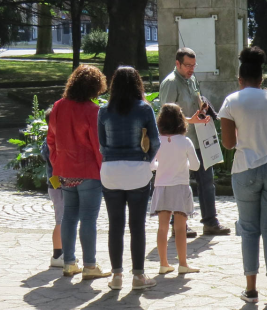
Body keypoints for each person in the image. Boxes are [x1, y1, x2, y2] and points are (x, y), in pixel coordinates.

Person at [219, 46, 267, 304]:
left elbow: (228, 143)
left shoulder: (231, 101)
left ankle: (250, 288)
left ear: (240, 79)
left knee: (249, 229)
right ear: (262, 78)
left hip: (244, 168)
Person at [98, 66, 160, 290]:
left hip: (111, 170)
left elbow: (102, 144)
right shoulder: (144, 109)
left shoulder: (104, 111)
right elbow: (156, 141)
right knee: (137, 226)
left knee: (115, 224)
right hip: (137, 170)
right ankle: (139, 276)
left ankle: (116, 276)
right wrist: (146, 160)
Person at [47, 65, 111, 280]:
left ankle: (68, 263)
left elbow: (51, 141)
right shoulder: (93, 111)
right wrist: (105, 172)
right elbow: (98, 146)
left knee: (68, 217)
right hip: (88, 172)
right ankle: (90, 265)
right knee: (88, 219)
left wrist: (58, 165)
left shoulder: (58, 107)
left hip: (65, 171)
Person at [159, 47, 230, 237]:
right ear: (177, 64)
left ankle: (210, 222)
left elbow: (194, 102)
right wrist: (191, 120)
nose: (191, 69)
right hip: (179, 142)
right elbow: (167, 115)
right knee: (181, 183)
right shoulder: (170, 83)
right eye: (187, 65)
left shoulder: (191, 80)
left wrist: (202, 108)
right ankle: (178, 224)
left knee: (207, 182)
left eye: (193, 65)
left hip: (199, 140)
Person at [152, 104, 201, 275]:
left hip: (162, 186)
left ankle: (163, 263)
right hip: (180, 186)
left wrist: (162, 165)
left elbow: (151, 165)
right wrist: (183, 164)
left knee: (162, 227)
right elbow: (195, 165)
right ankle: (182, 263)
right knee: (180, 228)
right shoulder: (185, 141)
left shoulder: (157, 140)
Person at [41, 108, 64, 268]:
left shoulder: (50, 139)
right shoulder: (51, 141)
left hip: (56, 184)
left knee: (62, 219)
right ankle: (57, 255)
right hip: (58, 184)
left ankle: (62, 252)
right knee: (61, 220)